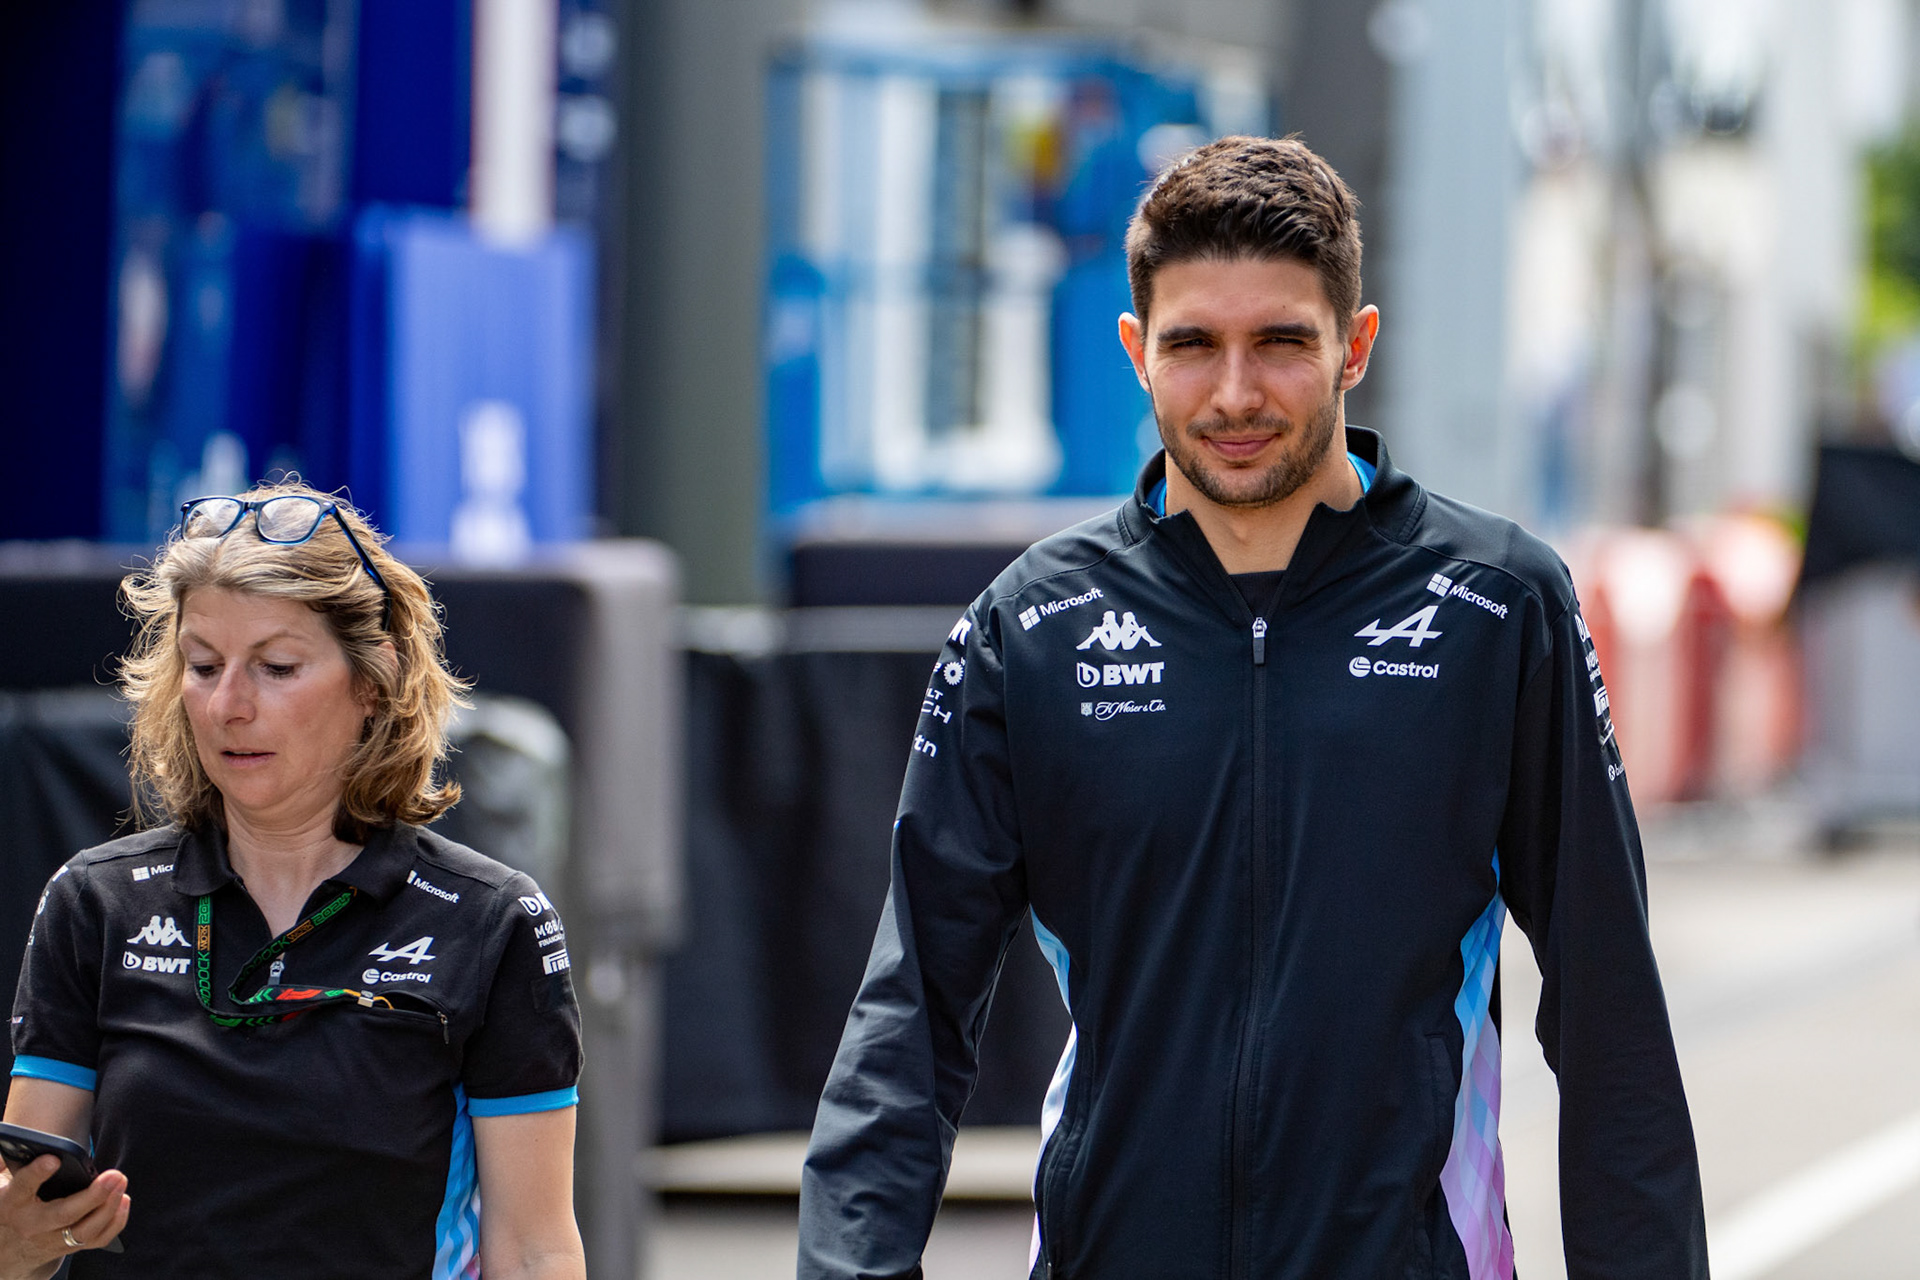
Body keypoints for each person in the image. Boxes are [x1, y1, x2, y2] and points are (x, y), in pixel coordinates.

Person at [798, 136, 1709, 1279]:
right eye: (1193, 345)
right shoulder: (1032, 624)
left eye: (1281, 341)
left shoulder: (1496, 605)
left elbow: (1610, 1007)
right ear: (1136, 350)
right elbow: (911, 1013)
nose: (1235, 393)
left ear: (1354, 346)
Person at [1, 483, 586, 1280]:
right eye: (202, 666)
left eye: (276, 668)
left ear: (372, 684)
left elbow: (535, 1247)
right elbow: (29, 1216)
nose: (228, 705)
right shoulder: (97, 902)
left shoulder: (491, 921)